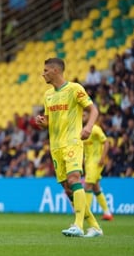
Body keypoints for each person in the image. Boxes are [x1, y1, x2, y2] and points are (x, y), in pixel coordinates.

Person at [35, 58, 103, 237]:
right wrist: (43, 122)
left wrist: (88, 127)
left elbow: (93, 110)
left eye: (46, 70)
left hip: (72, 142)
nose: (43, 74)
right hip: (55, 146)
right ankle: (95, 226)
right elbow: (50, 122)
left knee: (74, 180)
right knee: (68, 188)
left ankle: (78, 225)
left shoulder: (75, 89)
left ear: (56, 71)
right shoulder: (48, 95)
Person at [82, 110, 113, 221]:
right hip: (88, 162)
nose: (82, 117)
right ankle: (107, 213)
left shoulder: (95, 129)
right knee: (96, 188)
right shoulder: (83, 132)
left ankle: (85, 214)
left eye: (84, 115)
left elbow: (106, 142)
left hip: (96, 162)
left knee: (87, 186)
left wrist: (103, 157)